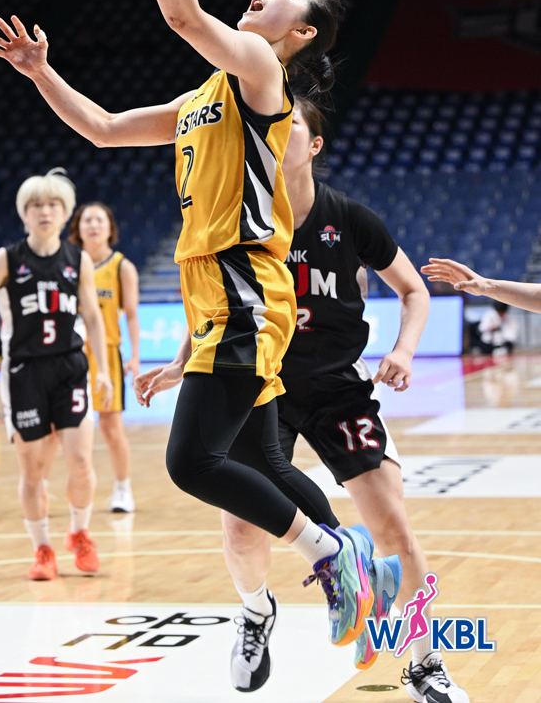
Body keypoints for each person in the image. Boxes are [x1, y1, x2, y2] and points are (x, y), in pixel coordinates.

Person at [0, 0, 384, 649]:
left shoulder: (263, 69)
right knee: (263, 465)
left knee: (190, 464)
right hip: (218, 299)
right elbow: (103, 129)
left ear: (300, 34)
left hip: (245, 290)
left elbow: (183, 17)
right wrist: (42, 73)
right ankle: (347, 562)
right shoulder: (204, 97)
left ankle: (330, 553)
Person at [139, 99, 469, 702]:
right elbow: (222, 299)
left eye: (289, 126)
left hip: (338, 387)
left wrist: (404, 350)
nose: (273, 132)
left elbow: (414, 291)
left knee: (393, 527)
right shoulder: (242, 211)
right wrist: (184, 359)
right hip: (260, 382)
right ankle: (255, 612)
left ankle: (425, 662)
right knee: (241, 526)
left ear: (314, 145)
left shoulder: (349, 217)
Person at [0, 169, 113, 580]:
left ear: (65, 213)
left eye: (53, 204)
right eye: (36, 205)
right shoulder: (7, 258)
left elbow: (92, 316)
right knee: (32, 469)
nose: (45, 211)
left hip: (70, 368)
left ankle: (79, 533)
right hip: (24, 372)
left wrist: (104, 371)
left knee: (80, 461)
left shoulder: (78, 260)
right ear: (24, 213)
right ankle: (42, 548)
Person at [69, 202, 141, 513]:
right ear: (78, 229)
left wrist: (135, 356)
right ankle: (66, 489)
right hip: (70, 354)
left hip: (107, 353)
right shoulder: (68, 263)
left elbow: (132, 315)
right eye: (87, 220)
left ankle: (123, 488)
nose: (94, 225)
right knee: (63, 428)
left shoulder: (122, 266)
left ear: (110, 228)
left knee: (111, 428)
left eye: (100, 220)